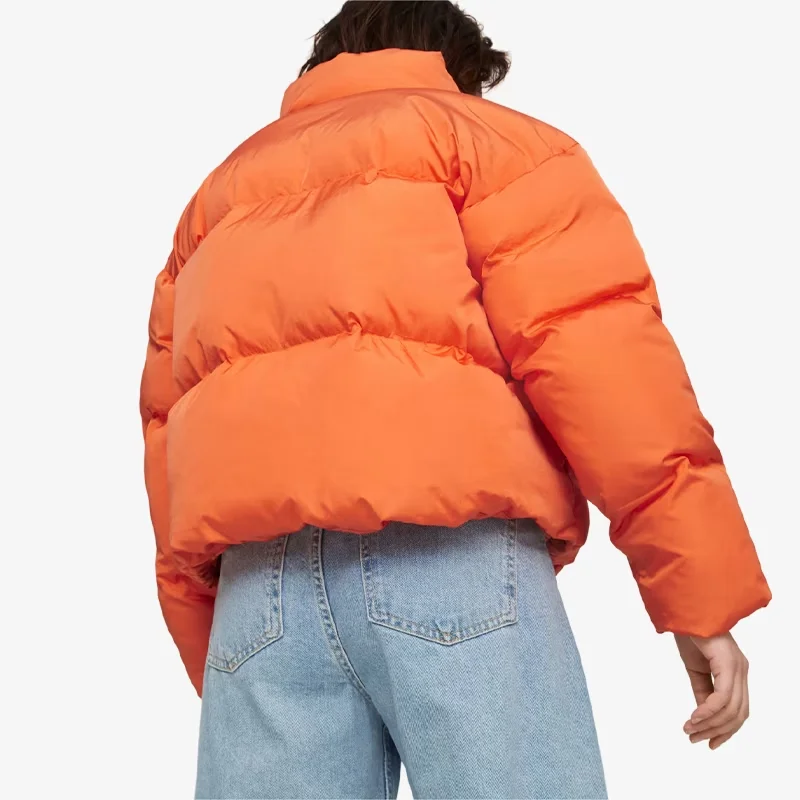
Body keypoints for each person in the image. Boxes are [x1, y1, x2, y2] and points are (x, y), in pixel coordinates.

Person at [139, 2, 771, 798]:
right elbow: (608, 369)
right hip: (453, 562)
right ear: (461, 69)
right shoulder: (494, 147)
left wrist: (215, 646)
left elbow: (168, 432)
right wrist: (699, 597)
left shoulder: (217, 198)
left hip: (260, 593)